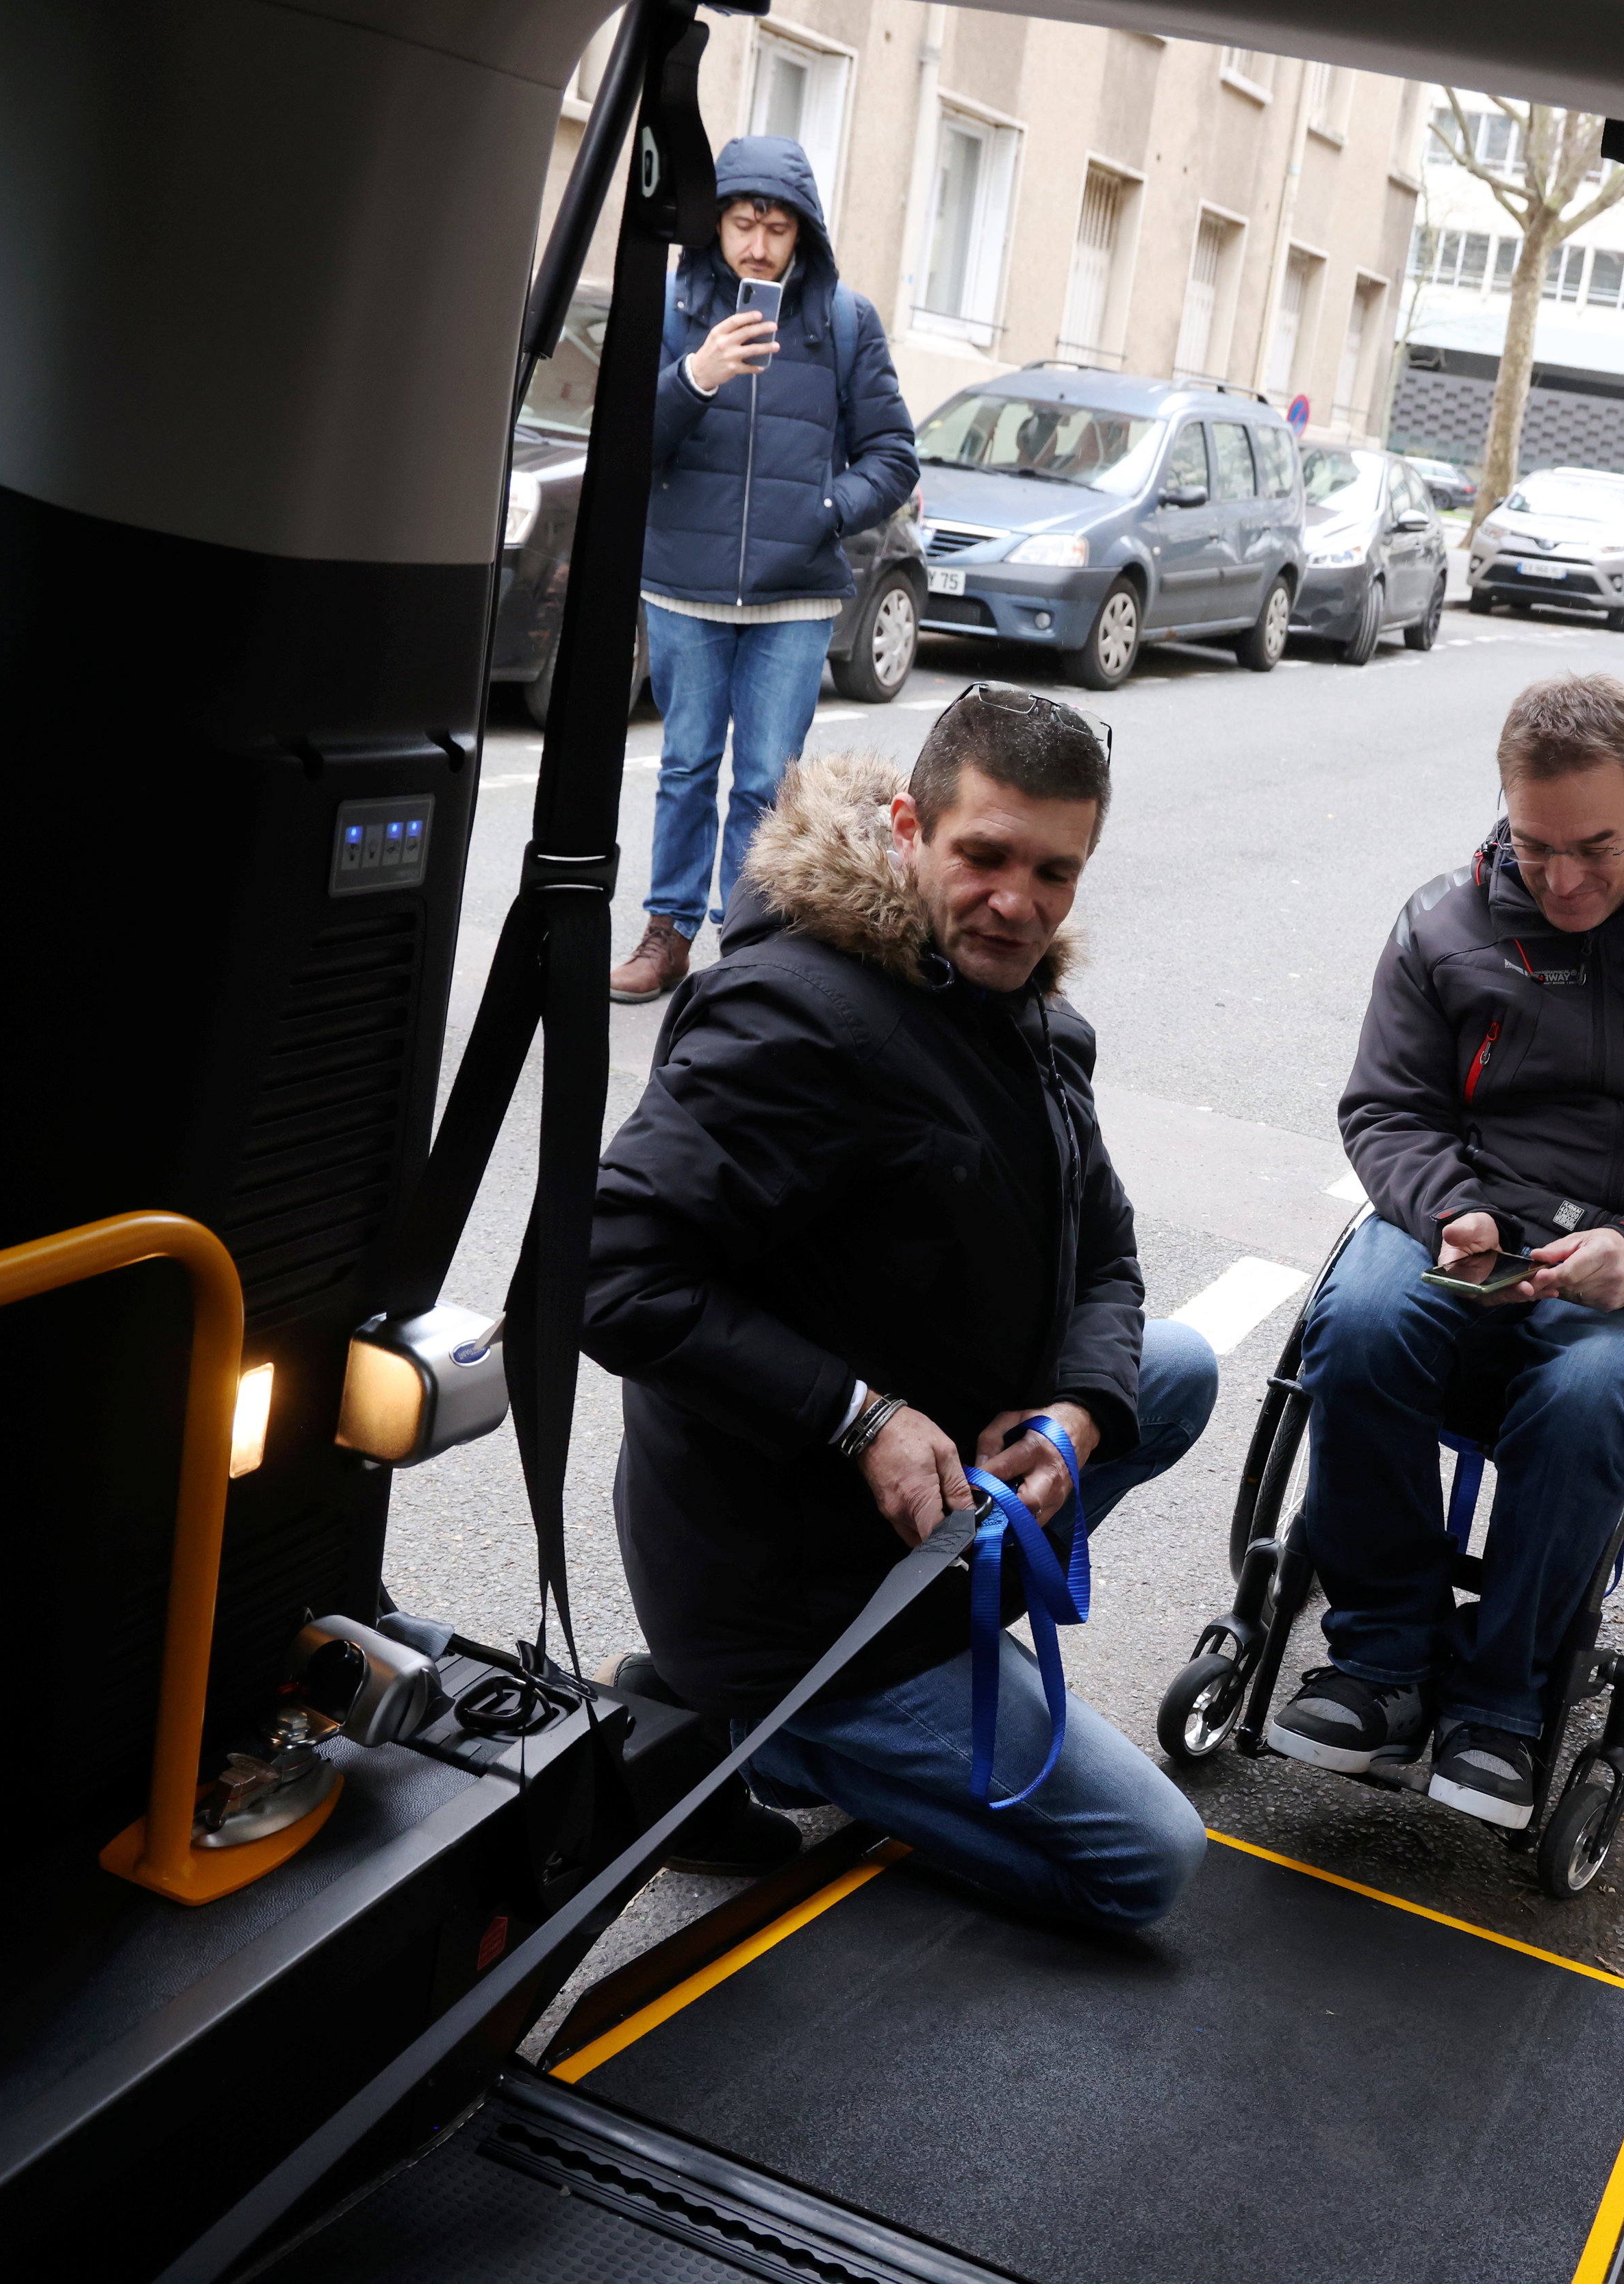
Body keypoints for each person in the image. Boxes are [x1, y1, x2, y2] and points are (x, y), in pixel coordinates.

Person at [583, 692, 1217, 1931]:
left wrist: (1082, 1413)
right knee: (1151, 1865)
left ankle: (850, 1706)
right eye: (984, 856)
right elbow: (607, 1274)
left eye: (1054, 873)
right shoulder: (800, 1022)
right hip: (794, 1586)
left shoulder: (1020, 1016)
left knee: (1166, 1373)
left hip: (923, 1511)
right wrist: (859, 1417)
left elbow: (1112, 1261)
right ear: (909, 827)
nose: (1018, 903)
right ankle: (759, 1741)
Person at [1269, 675, 1624, 1828]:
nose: (1565, 879)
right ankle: (1383, 1659)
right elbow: (1388, 1108)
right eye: (1537, 849)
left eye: (1594, 846)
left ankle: (1503, 1704)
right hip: (1479, 1225)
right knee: (1361, 1325)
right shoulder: (1447, 922)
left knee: (1589, 1392)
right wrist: (1447, 1208)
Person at [609, 136, 919, 1006]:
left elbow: (893, 456)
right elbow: (631, 442)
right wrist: (695, 377)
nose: (755, 243)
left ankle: (745, 941)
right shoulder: (674, 308)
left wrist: (821, 511)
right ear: (716, 225)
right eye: (742, 222)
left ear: (801, 236)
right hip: (683, 582)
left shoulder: (843, 320)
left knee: (766, 777)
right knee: (684, 765)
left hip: (795, 591)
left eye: (775, 227)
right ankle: (667, 931)